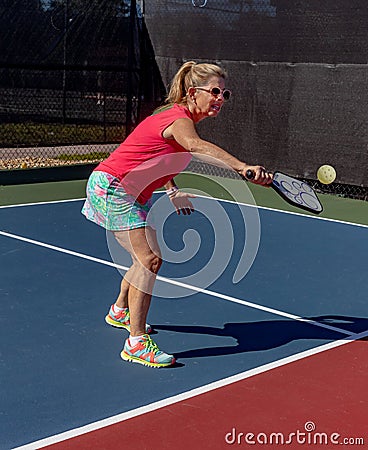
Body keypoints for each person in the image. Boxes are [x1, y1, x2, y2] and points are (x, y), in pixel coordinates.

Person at [81, 61, 272, 368]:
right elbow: (195, 146)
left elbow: (158, 154)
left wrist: (171, 190)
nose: (220, 98)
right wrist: (242, 166)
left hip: (131, 190)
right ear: (192, 92)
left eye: (225, 93)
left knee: (146, 258)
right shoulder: (179, 119)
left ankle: (119, 310)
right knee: (150, 259)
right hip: (114, 187)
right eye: (214, 91)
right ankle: (136, 342)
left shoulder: (172, 120)